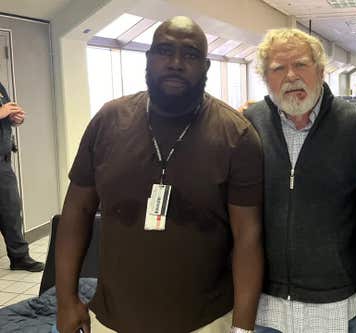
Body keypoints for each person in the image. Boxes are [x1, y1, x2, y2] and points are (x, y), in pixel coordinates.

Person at [55, 16, 263, 333]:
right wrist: (66, 300)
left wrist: (242, 328)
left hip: (205, 322)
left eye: (190, 55)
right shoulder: (109, 121)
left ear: (206, 67)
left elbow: (248, 236)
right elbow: (76, 211)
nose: (176, 63)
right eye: (165, 51)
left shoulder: (237, 135)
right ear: (149, 59)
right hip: (111, 320)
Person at [243, 29, 356, 333]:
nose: (290, 76)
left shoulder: (355, 124)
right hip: (267, 301)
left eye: (300, 65)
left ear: (321, 71)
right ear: (265, 78)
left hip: (334, 301)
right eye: (278, 68)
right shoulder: (250, 124)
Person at [0, 80, 45, 272]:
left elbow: (8, 114)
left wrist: (15, 119)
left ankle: (19, 257)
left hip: (3, 161)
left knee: (11, 211)